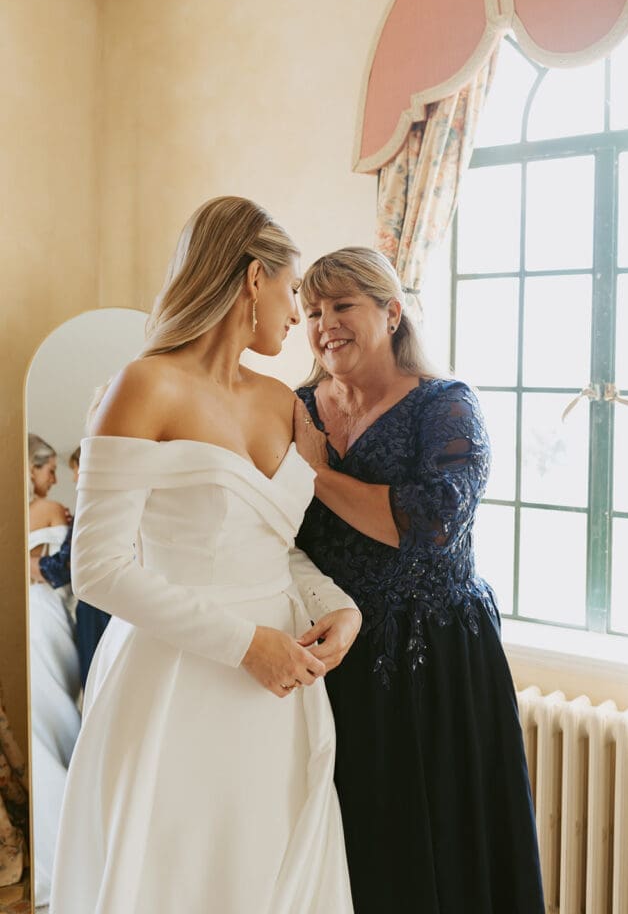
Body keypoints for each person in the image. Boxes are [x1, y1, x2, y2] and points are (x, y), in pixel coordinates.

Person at [50, 197, 360, 914]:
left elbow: (274, 549)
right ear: (253, 280)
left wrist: (336, 608)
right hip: (177, 680)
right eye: (291, 291)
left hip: (278, 688)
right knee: (178, 877)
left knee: (267, 871)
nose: (298, 316)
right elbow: (97, 568)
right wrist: (244, 643)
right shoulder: (143, 385)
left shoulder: (284, 399)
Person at [293, 247, 545, 914]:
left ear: (391, 311)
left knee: (436, 837)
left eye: (342, 305)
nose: (325, 324)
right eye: (312, 311)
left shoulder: (445, 404)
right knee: (344, 836)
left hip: (432, 654)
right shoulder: (295, 407)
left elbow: (429, 525)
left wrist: (316, 473)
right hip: (326, 649)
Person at [27, 434, 81, 909]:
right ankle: (71, 843)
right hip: (44, 612)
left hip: (29, 610)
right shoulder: (52, 510)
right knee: (58, 714)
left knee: (42, 716)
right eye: (48, 471)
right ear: (32, 470)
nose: (55, 479)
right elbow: (64, 566)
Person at [32, 448, 111, 688]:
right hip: (93, 605)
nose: (74, 478)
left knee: (98, 680)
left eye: (75, 470)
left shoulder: (97, 507)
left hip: (99, 608)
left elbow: (66, 565)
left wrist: (24, 564)